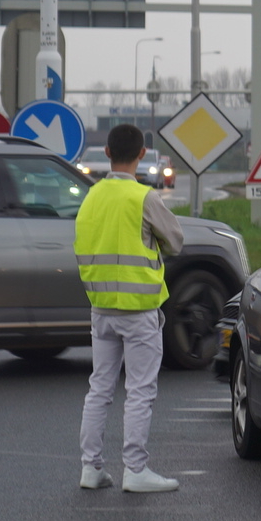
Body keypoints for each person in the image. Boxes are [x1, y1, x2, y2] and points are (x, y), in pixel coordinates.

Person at [76, 124, 185, 493]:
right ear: (141, 155)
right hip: (138, 310)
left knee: (100, 388)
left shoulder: (90, 197)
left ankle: (90, 468)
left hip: (101, 308)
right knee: (139, 390)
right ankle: (135, 470)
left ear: (106, 153)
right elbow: (175, 242)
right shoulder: (143, 198)